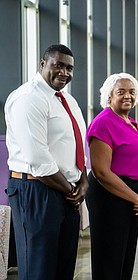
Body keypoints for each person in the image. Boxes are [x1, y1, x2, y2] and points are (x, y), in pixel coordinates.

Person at [5, 44, 88, 280]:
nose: (64, 72)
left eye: (69, 68)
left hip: (66, 193)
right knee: (38, 270)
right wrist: (72, 189)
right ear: (43, 64)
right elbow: (37, 160)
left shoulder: (67, 101)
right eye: (58, 65)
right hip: (36, 191)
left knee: (63, 269)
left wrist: (84, 180)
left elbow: (76, 145)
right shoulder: (28, 98)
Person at [85, 73, 138, 280]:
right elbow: (102, 173)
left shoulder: (131, 123)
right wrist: (137, 200)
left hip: (133, 198)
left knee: (125, 259)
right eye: (121, 92)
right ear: (109, 96)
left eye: (132, 92)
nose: (127, 96)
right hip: (110, 196)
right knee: (109, 261)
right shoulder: (103, 123)